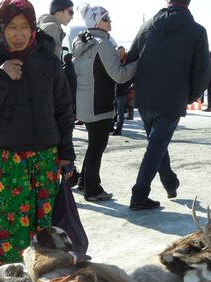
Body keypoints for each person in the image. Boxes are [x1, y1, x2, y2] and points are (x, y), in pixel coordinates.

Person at [0, 0, 75, 266]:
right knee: (7, 236)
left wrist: (66, 153)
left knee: (44, 236)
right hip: (7, 165)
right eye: (13, 27)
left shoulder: (48, 60)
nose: (20, 34)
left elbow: (63, 109)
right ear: (0, 27)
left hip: (44, 162)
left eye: (25, 26)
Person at [125, 0, 209, 210]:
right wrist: (190, 97)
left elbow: (131, 58)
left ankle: (170, 183)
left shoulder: (147, 26)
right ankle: (139, 195)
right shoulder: (197, 31)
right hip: (172, 98)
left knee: (157, 144)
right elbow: (202, 72)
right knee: (156, 147)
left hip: (145, 98)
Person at [73, 4, 136, 202]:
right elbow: (119, 75)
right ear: (96, 21)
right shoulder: (103, 44)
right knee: (97, 147)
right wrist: (139, 63)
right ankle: (93, 189)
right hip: (99, 104)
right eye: (107, 18)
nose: (111, 22)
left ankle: (84, 181)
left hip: (85, 103)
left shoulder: (82, 43)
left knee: (93, 145)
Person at [113, 46, 132, 136]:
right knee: (113, 111)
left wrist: (126, 86)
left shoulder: (127, 62)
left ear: (124, 52)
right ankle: (112, 127)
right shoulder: (115, 62)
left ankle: (118, 130)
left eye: (121, 52)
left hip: (121, 91)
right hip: (113, 91)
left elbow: (131, 77)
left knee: (119, 112)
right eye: (118, 52)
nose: (119, 54)